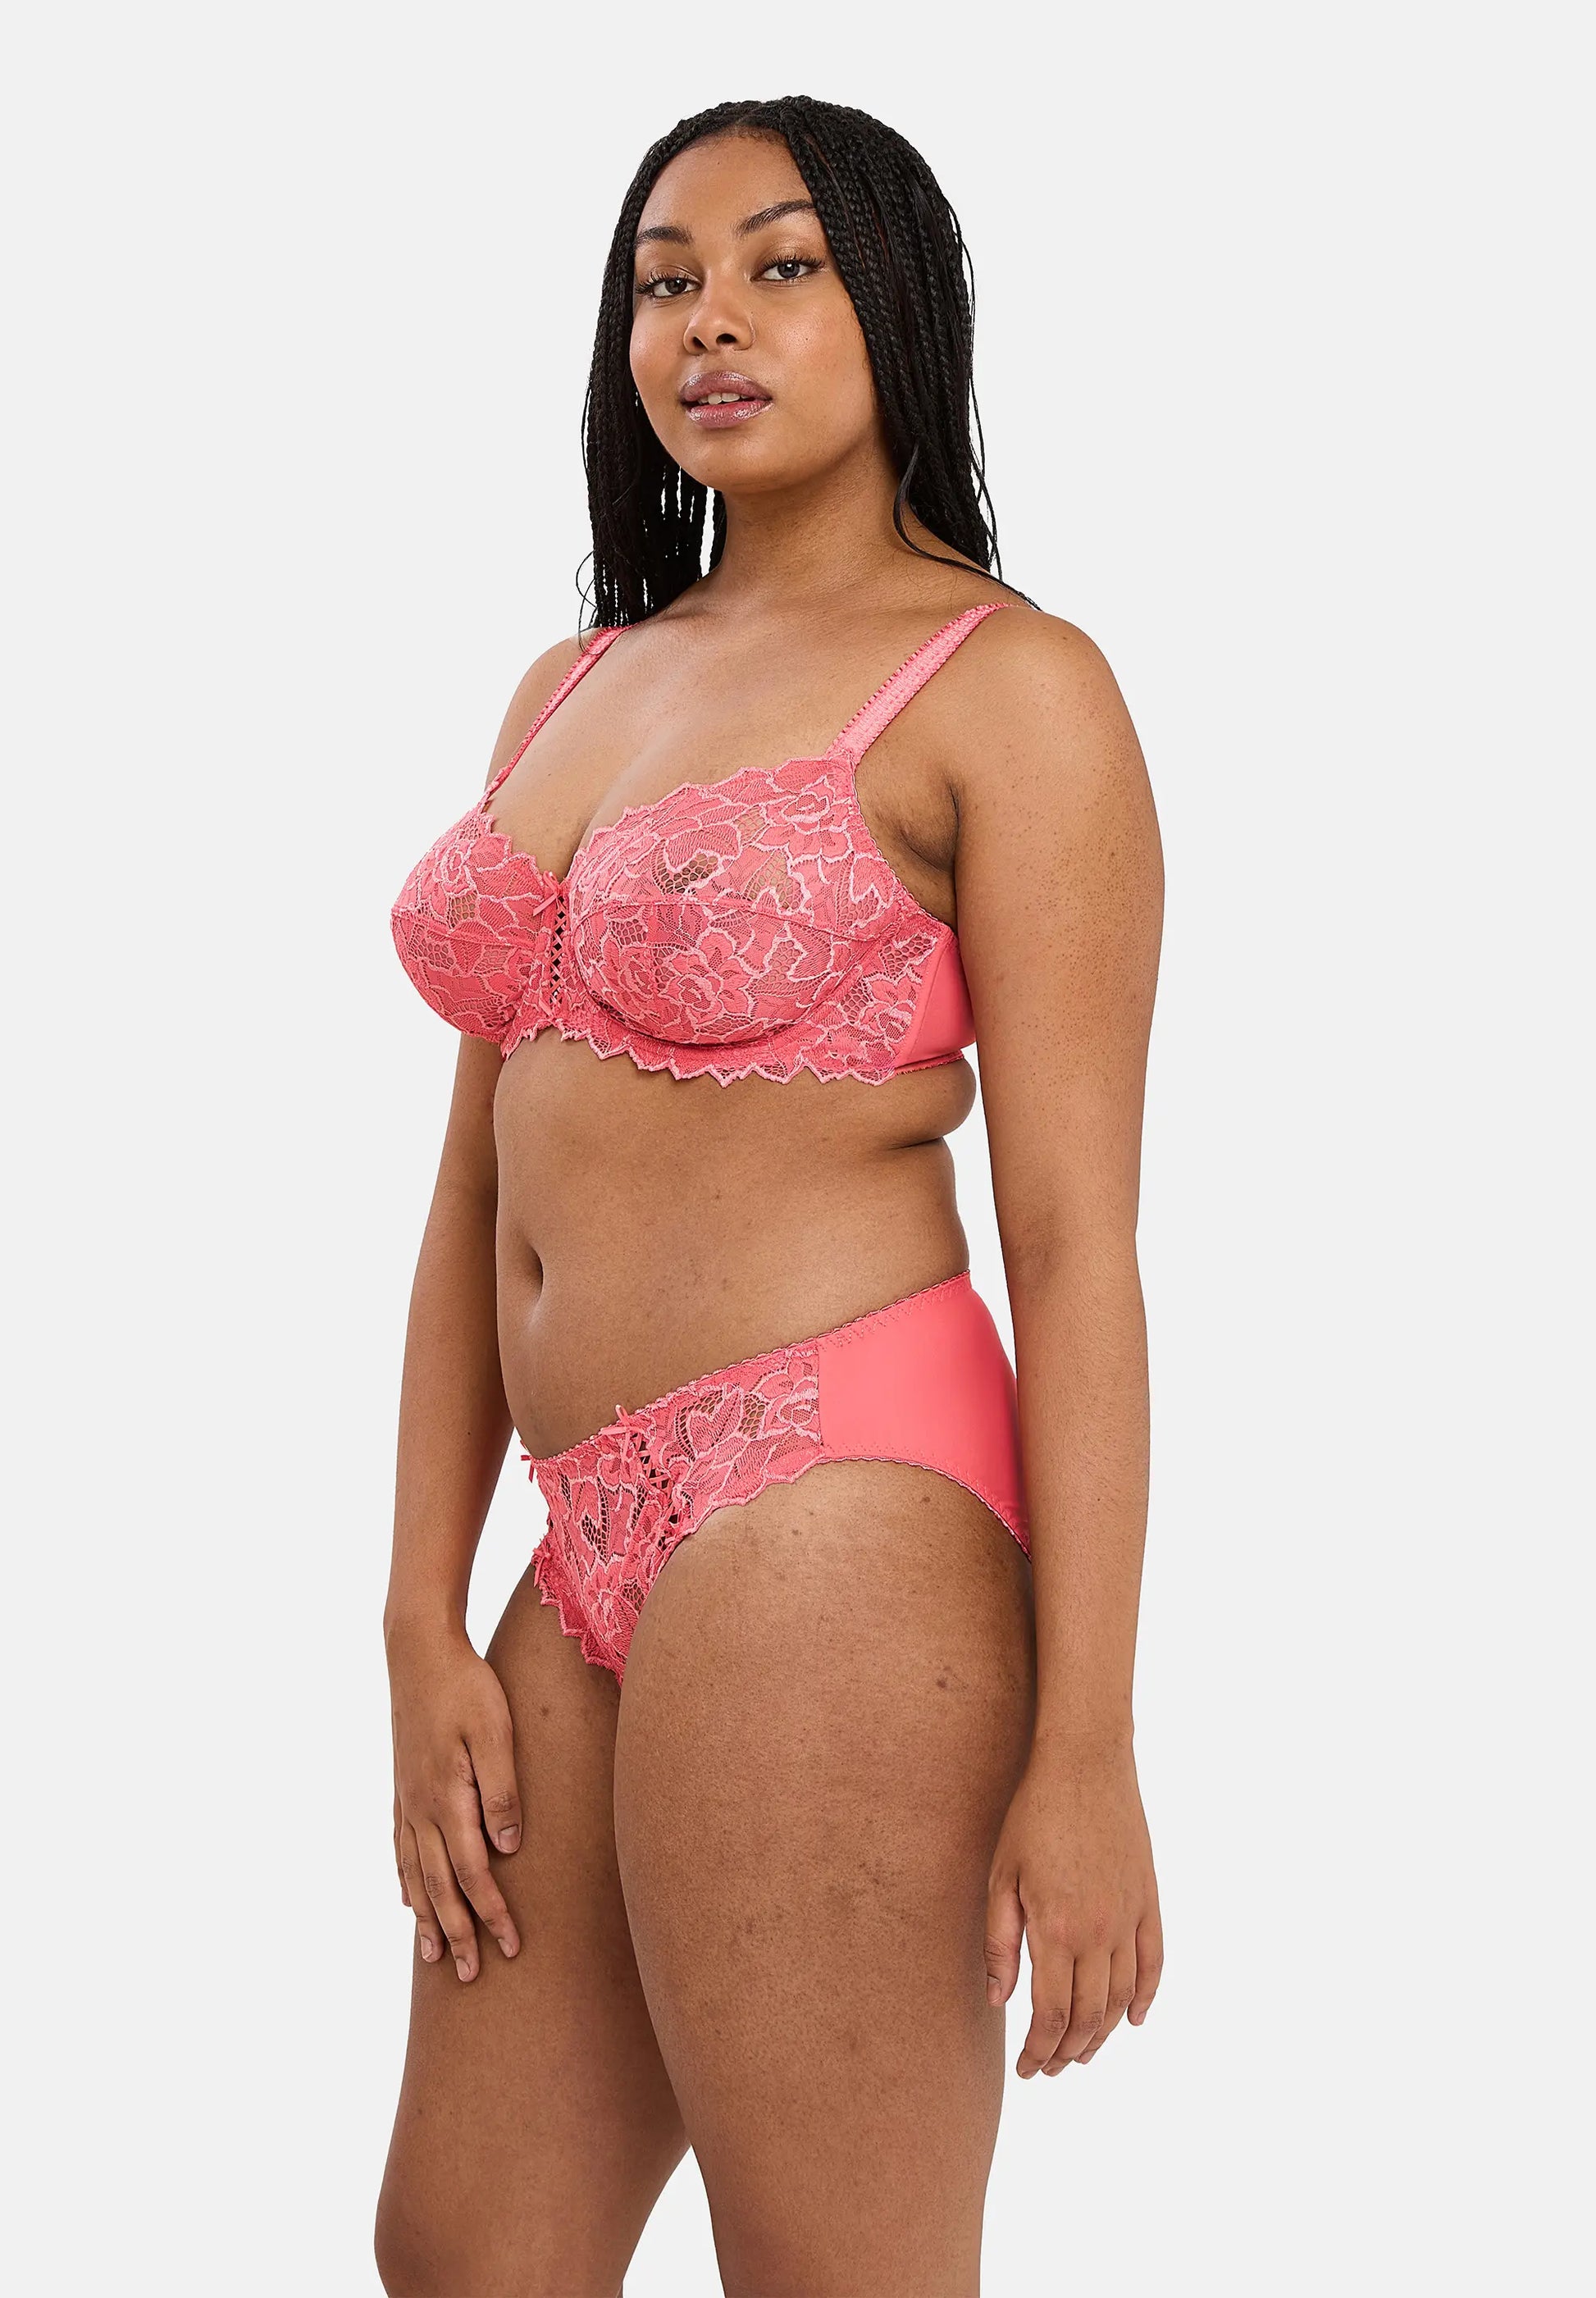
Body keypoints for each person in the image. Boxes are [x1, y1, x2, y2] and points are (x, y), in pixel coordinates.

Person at [376, 93, 1165, 2298]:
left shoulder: (1010, 692)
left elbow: (1076, 1248)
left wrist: (1088, 1744)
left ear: (895, 306)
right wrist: (417, 1606)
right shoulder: (574, 685)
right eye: (666, 280)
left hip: (833, 1497)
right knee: (462, 2252)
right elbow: (471, 1184)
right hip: (582, 1528)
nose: (709, 319)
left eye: (780, 266)